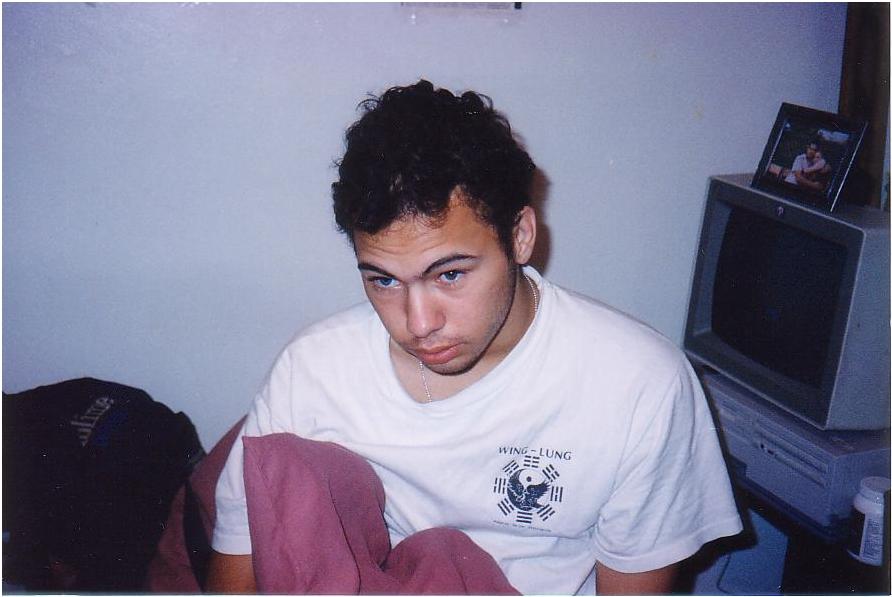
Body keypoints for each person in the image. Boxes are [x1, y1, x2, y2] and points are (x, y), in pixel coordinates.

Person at [207, 80, 743, 595]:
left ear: (520, 236)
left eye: (450, 274)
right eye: (384, 281)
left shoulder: (638, 383)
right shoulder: (312, 370)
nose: (419, 323)